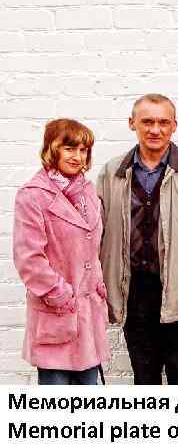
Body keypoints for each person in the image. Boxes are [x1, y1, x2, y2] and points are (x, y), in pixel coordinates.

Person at [97, 94, 178, 385]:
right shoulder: (112, 172)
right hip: (133, 291)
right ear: (132, 123)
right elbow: (95, 234)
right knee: (144, 377)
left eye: (163, 122)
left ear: (174, 126)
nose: (155, 129)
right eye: (147, 121)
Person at [13, 119, 110, 385]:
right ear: (52, 148)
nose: (77, 157)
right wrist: (62, 295)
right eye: (69, 148)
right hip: (57, 314)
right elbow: (29, 260)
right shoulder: (32, 196)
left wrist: (97, 286)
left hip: (87, 318)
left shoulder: (88, 191)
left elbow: (92, 249)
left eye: (83, 150)